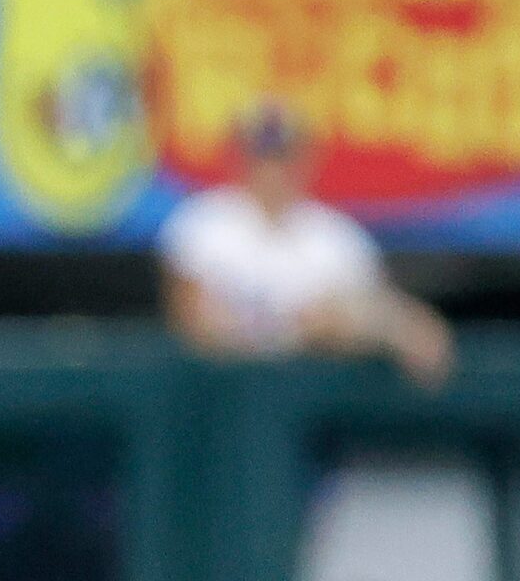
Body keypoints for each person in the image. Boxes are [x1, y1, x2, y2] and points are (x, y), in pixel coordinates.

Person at [159, 103, 454, 391]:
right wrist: (295, 330)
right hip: (222, 401)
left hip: (314, 405)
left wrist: (371, 327)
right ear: (240, 157)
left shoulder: (335, 235)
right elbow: (196, 324)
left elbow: (385, 317)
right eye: (263, 154)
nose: (273, 169)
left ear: (306, 159)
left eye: (283, 155)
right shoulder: (203, 222)